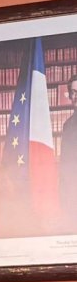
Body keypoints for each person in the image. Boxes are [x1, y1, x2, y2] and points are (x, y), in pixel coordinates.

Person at [60, 76, 77, 232]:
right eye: (74, 92)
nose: (76, 96)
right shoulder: (67, 126)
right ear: (70, 96)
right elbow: (64, 164)